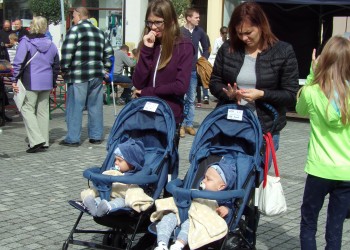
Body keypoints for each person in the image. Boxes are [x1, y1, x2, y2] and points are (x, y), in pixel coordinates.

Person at [210, 2, 299, 144]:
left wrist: (262, 94)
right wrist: (228, 93)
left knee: (256, 166)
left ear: (261, 26)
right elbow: (214, 82)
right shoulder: (227, 48)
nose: (244, 38)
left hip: (265, 128)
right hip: (230, 125)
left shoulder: (283, 51)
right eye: (239, 33)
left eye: (248, 32)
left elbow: (290, 95)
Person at [296, 36, 350, 250]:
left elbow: (299, 109)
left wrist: (312, 73)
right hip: (346, 173)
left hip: (319, 170)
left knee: (309, 223)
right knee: (335, 229)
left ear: (323, 59)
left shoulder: (311, 92)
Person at [132, 0, 194, 148]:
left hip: (168, 115)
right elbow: (138, 82)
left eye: (158, 22)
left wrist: (148, 92)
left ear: (171, 20)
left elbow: (181, 87)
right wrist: (146, 49)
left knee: (165, 164)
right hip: (145, 113)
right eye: (150, 22)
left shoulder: (183, 46)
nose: (153, 27)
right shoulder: (149, 43)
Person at [153, 157, 236, 250]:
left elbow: (231, 210)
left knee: (189, 226)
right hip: (184, 212)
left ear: (221, 187)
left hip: (197, 219)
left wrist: (226, 210)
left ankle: (178, 245)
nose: (203, 180)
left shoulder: (224, 198)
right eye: (204, 177)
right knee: (168, 218)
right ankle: (162, 244)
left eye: (208, 179)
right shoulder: (198, 191)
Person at [60, 7, 113, 147]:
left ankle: (73, 138)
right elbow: (109, 52)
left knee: (75, 107)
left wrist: (64, 69)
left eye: (73, 16)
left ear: (78, 15)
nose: (73, 19)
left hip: (78, 75)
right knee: (95, 106)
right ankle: (96, 136)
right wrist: (105, 68)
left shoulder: (75, 30)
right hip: (96, 74)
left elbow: (67, 52)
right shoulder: (100, 32)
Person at [11, 16, 60, 153]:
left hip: (31, 80)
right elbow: (56, 65)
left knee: (27, 109)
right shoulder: (51, 44)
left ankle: (36, 140)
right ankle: (44, 140)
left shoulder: (26, 42)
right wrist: (53, 81)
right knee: (43, 111)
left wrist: (14, 79)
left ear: (32, 25)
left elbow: (18, 62)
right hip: (47, 81)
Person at [81, 139, 151, 217]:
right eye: (115, 159)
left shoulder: (134, 176)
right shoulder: (112, 171)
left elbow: (135, 193)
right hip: (106, 194)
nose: (116, 162)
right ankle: (92, 204)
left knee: (120, 201)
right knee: (99, 197)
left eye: (119, 160)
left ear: (132, 163)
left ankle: (108, 207)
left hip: (122, 197)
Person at [179, 7, 209, 138]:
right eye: (196, 17)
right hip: (179, 71)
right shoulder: (179, 31)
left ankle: (189, 124)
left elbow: (207, 47)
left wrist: (203, 60)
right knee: (180, 98)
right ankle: (179, 125)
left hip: (192, 71)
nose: (198, 19)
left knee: (191, 100)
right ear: (188, 18)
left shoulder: (200, 31)